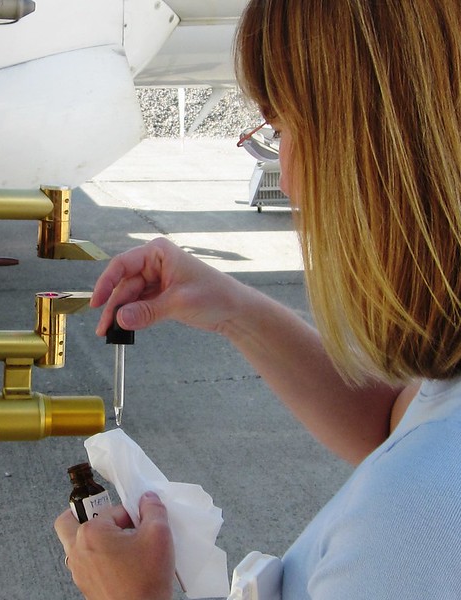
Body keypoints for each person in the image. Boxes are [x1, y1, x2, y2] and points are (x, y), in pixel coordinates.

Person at [55, 0, 461, 598]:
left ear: (378, 147)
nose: (289, 177)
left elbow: (418, 471)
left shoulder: (406, 533)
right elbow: (397, 427)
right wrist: (235, 311)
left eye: (286, 126)